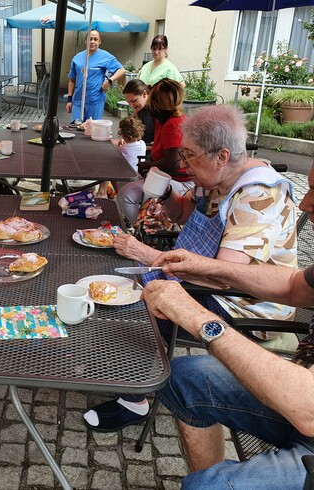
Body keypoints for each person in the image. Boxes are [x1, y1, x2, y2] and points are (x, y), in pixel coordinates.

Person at [84, 105, 297, 433]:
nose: (182, 164)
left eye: (189, 155)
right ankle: (128, 373)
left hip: (245, 306)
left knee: (135, 308)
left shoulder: (258, 195)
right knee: (122, 282)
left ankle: (136, 399)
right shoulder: (218, 177)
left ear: (222, 155)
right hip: (202, 280)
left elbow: (225, 276)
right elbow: (184, 215)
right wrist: (167, 192)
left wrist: (148, 254)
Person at [141, 171, 314, 487]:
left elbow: (308, 410)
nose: (304, 202)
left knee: (204, 487)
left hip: (308, 411)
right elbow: (292, 284)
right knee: (181, 377)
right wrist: (205, 266)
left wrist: (199, 318)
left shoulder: (258, 190)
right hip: (303, 392)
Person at [118, 79, 193, 224]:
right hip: (165, 177)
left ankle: (144, 231)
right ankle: (145, 226)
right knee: (125, 183)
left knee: (126, 195)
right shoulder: (162, 121)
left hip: (180, 182)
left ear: (158, 105)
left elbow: (173, 164)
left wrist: (147, 165)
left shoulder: (173, 125)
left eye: (151, 101)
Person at [66, 30, 125, 123]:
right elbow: (72, 80)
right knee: (75, 128)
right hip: (78, 101)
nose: (92, 41)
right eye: (90, 39)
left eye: (95, 39)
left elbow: (121, 70)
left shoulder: (105, 56)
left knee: (92, 130)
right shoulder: (77, 58)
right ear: (86, 41)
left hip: (95, 100)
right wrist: (69, 100)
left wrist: (109, 81)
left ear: (99, 42)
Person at [96, 116, 146, 198]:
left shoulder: (123, 149)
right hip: (139, 174)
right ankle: (113, 193)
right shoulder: (142, 144)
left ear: (122, 134)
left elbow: (114, 149)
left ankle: (107, 192)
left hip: (126, 177)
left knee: (108, 168)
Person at [122, 79, 154, 146]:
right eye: (128, 102)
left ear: (144, 94)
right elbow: (131, 127)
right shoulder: (138, 108)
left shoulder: (157, 109)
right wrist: (126, 138)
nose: (131, 105)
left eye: (133, 101)